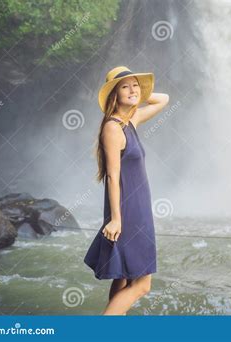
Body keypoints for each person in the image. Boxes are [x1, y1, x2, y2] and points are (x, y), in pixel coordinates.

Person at [84, 66, 169, 315]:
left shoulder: (130, 120)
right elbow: (112, 175)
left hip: (138, 207)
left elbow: (164, 99)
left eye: (135, 85)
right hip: (128, 212)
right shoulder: (112, 128)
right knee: (142, 285)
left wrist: (137, 93)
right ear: (113, 94)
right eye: (125, 86)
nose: (133, 89)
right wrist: (116, 219)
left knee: (121, 277)